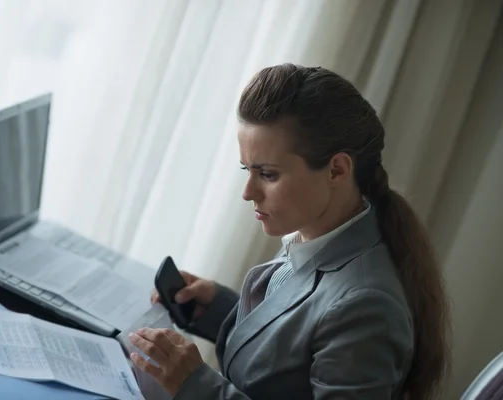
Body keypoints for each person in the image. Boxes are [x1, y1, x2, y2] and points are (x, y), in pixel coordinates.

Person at [128, 64, 451, 399]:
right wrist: (219, 309)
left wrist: (194, 385)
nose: (248, 192)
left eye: (267, 174)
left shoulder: (368, 307)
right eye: (246, 170)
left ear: (336, 170)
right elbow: (301, 346)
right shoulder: (318, 231)